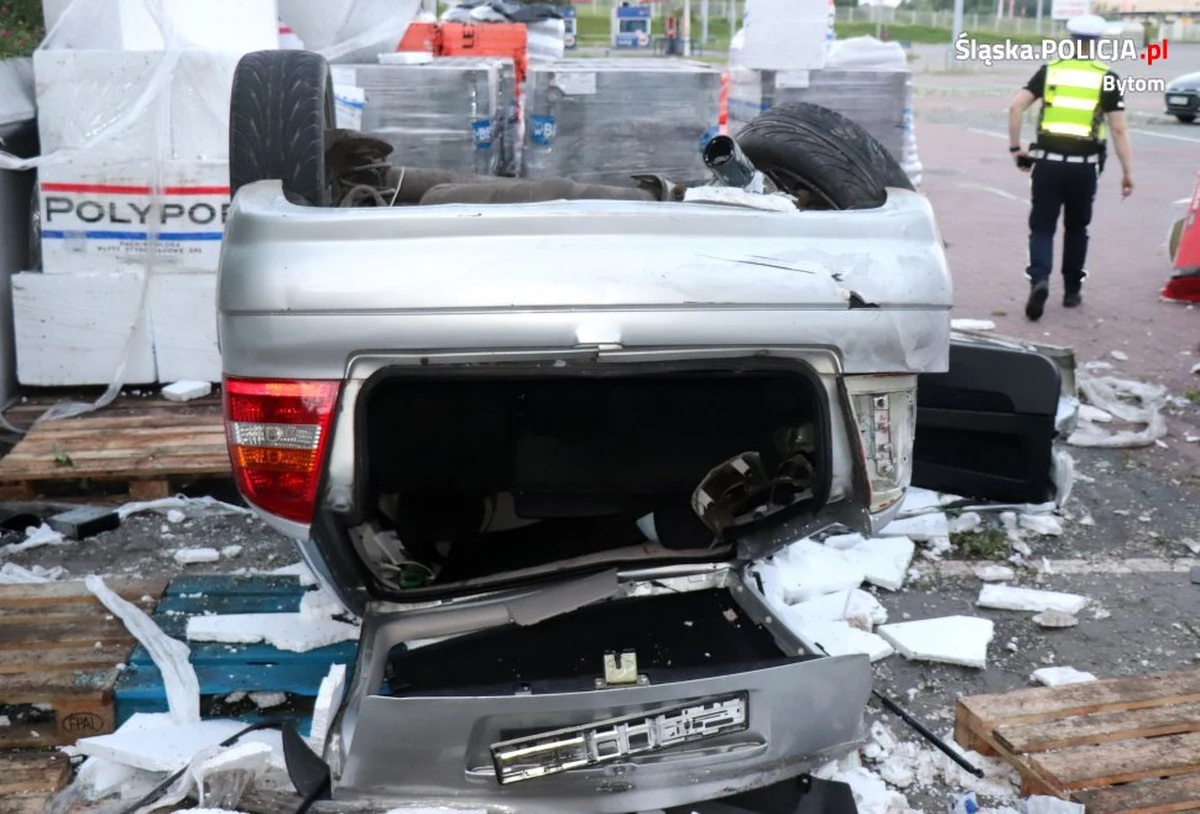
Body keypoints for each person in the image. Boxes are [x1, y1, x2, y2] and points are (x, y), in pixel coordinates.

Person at [1007, 14, 1135, 321]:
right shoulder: (1107, 77)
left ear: (1071, 40)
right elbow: (1118, 130)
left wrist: (1016, 148)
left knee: (1042, 227)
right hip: (1084, 168)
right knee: (1077, 228)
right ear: (1099, 43)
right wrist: (1128, 172)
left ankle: (1038, 279)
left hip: (1047, 165)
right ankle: (1072, 291)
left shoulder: (1050, 72)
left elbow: (1015, 106)